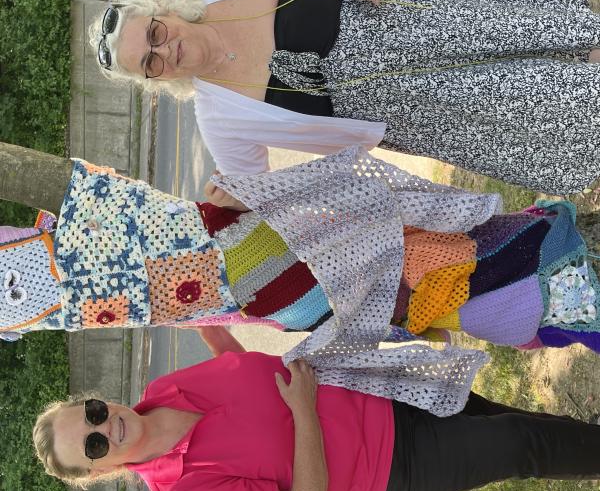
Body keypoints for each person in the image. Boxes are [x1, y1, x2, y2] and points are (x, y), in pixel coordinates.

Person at [2, 147, 600, 413]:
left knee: (426, 266)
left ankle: (546, 274)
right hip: (257, 282)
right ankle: (542, 280)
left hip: (251, 260)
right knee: (421, 281)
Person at [89, 0, 600, 194]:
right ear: (155, 80)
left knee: (554, 39)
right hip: (424, 109)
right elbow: (252, 189)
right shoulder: (219, 120)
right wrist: (226, 201)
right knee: (559, 100)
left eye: (154, 33)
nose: (166, 50)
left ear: (164, 12)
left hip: (419, 20)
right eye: (150, 64)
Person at [33, 338, 600, 491]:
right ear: (102, 472)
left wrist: (205, 319)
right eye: (93, 446)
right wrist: (303, 414)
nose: (104, 426)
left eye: (91, 413)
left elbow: (237, 368)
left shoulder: (162, 387)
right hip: (391, 471)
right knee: (518, 443)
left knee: (523, 425)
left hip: (385, 394)